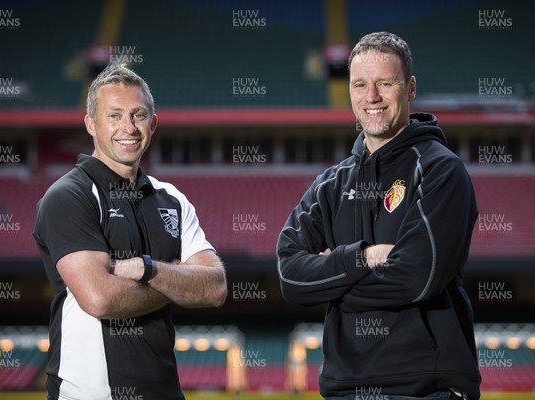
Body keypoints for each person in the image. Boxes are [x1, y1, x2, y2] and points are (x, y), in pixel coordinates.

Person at [277, 32, 480, 399]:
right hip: (344, 389)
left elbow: (417, 278)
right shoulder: (330, 185)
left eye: (385, 83)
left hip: (426, 389)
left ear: (411, 88)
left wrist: (332, 284)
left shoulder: (440, 171)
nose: (371, 97)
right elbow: (290, 277)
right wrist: (363, 258)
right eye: (360, 84)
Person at [33, 64, 227, 400]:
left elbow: (215, 288)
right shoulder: (69, 196)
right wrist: (178, 280)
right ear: (91, 124)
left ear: (153, 123)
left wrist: (146, 269)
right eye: (115, 115)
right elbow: (100, 298)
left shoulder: (173, 199)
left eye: (138, 115)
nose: (129, 127)